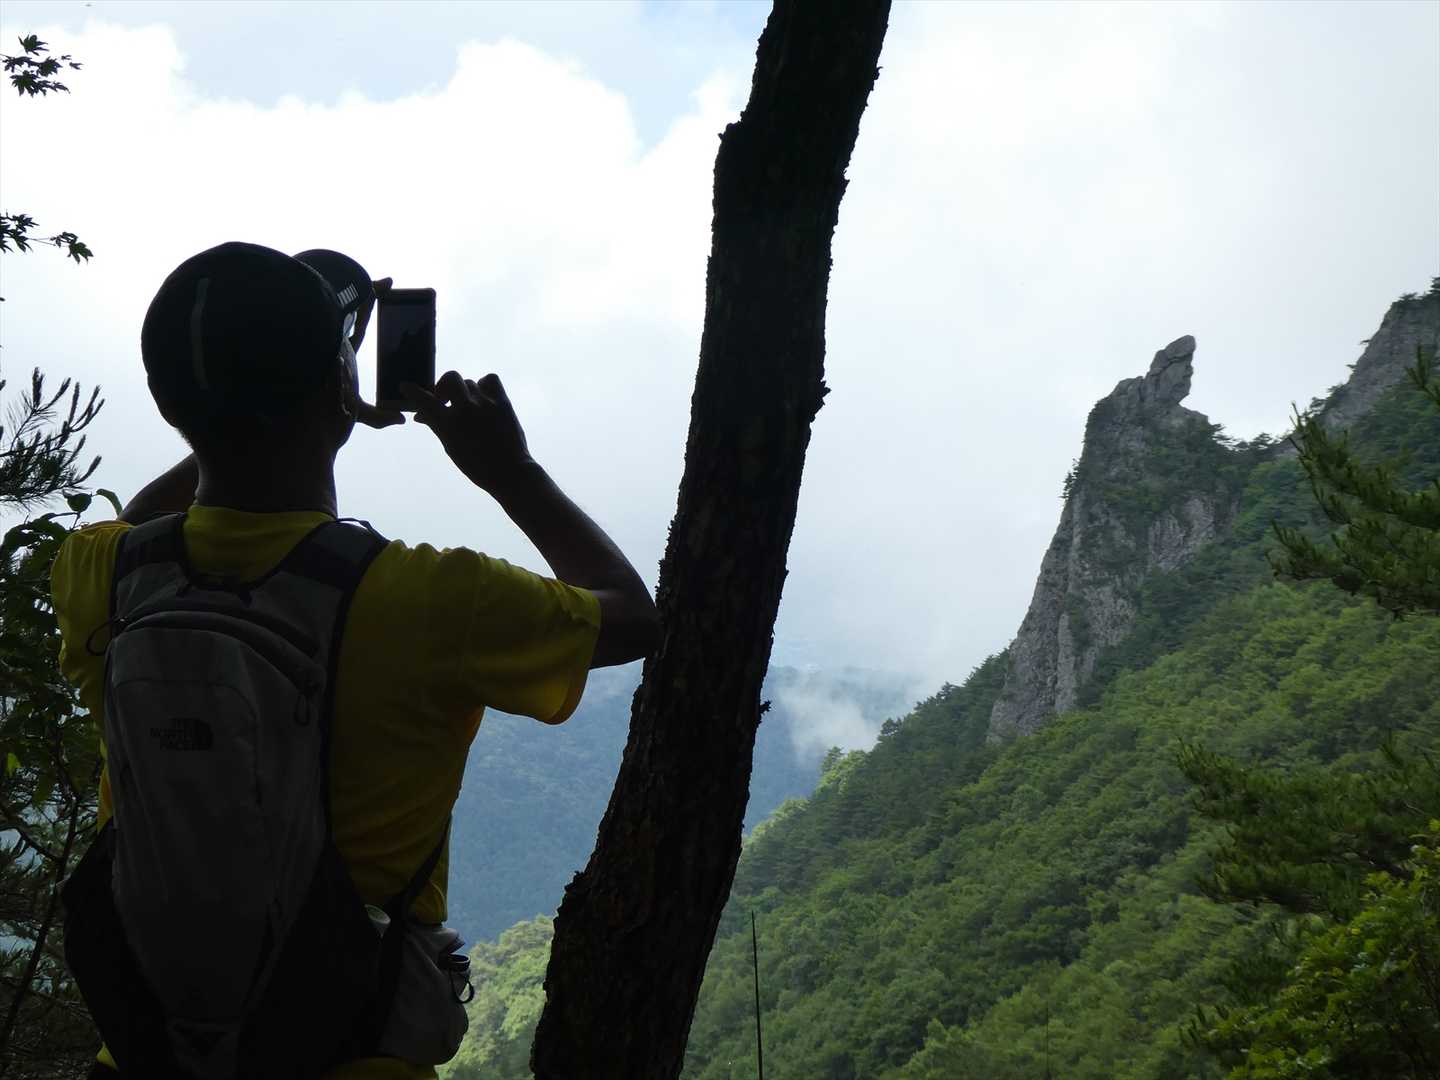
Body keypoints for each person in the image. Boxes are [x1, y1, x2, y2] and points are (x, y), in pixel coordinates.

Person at [50, 241, 660, 1078]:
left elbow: (146, 519)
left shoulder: (101, 574)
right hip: (347, 1054)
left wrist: (243, 402)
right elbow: (631, 617)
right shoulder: (430, 599)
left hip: (143, 1056)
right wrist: (509, 470)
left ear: (166, 404)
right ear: (342, 387)